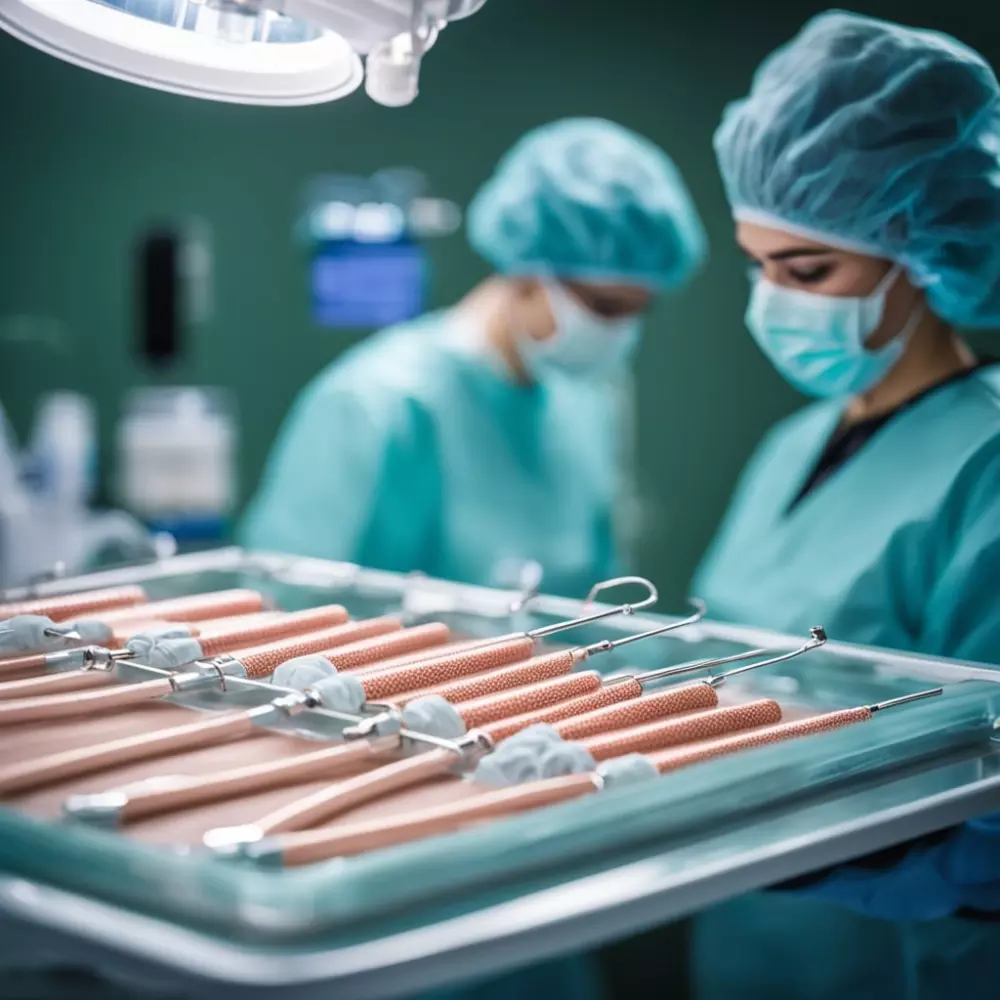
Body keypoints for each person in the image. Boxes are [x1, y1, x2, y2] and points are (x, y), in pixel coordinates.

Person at [691, 11, 1000, 1000]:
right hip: (747, 938)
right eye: (757, 266)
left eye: (807, 270)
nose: (772, 301)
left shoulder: (984, 462)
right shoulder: (792, 444)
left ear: (917, 242)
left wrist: (815, 858)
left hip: (900, 957)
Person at [240, 118, 706, 599]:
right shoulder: (375, 406)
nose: (618, 333)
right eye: (603, 307)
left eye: (638, 311)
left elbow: (599, 600)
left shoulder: (589, 396)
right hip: (403, 675)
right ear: (526, 273)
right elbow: (291, 615)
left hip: (561, 674)